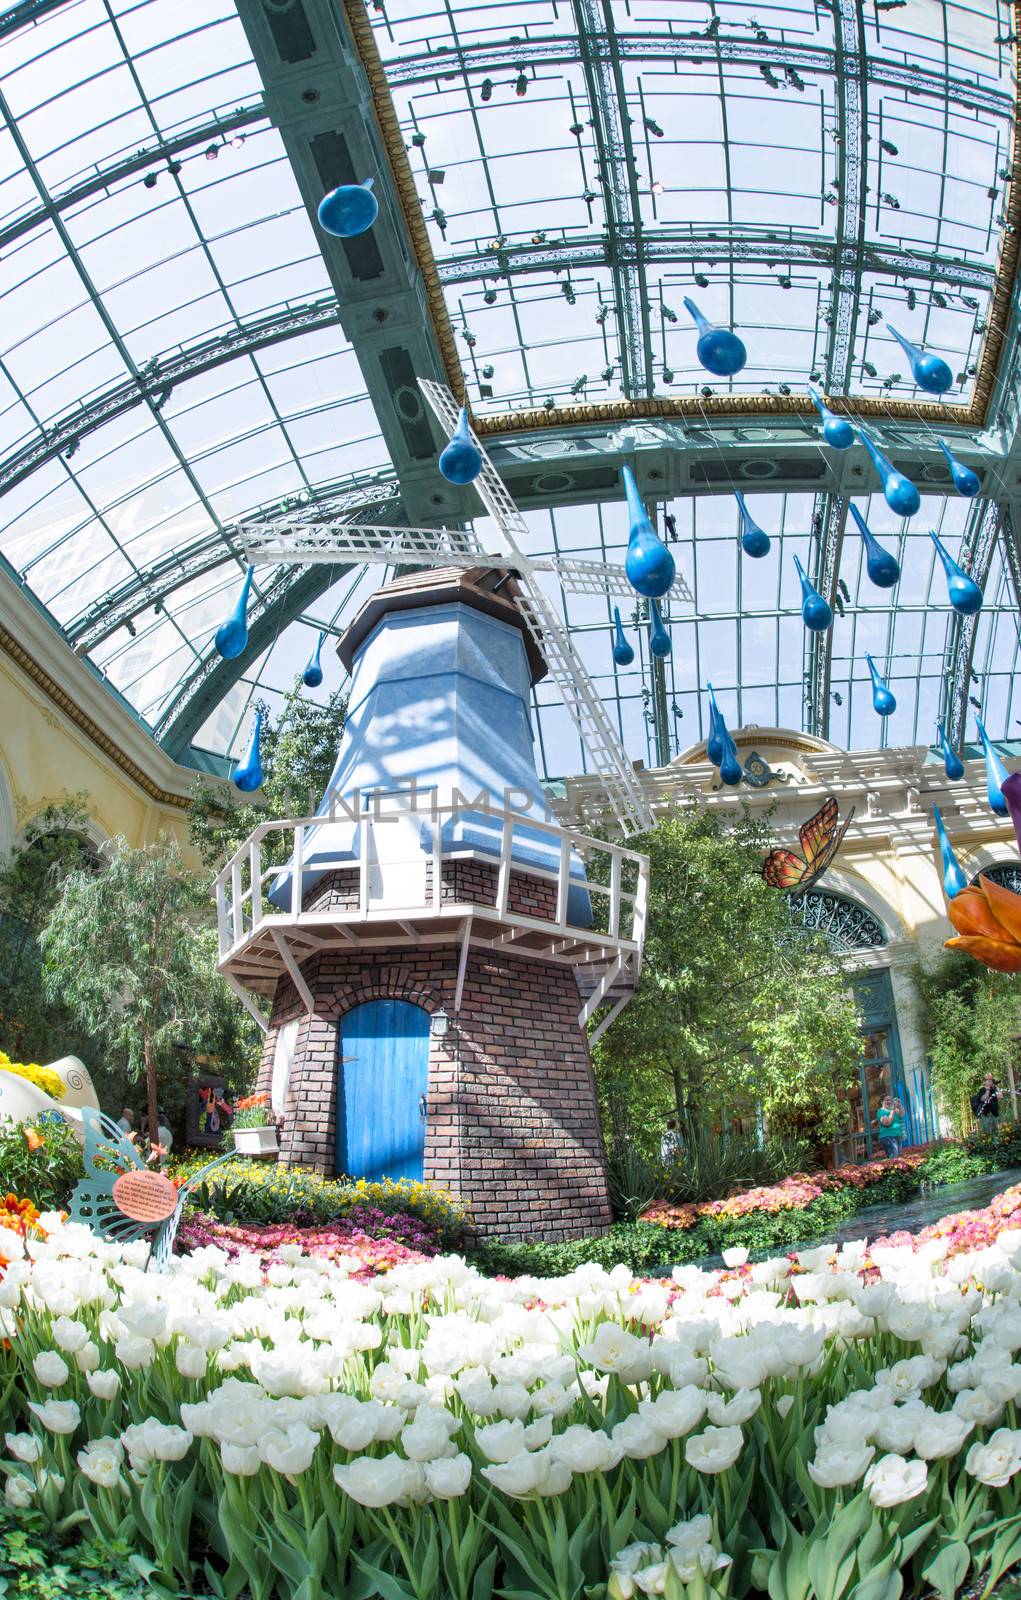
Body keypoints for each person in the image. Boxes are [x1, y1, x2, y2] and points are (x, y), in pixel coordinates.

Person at [876, 1093, 906, 1159]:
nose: (889, 1102)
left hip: (897, 1135)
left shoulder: (894, 1109)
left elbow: (902, 1114)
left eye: (890, 1100)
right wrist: (892, 1111)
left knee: (897, 1157)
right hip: (888, 1137)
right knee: (894, 1158)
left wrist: (899, 1104)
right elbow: (887, 1123)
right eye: (887, 1100)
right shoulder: (881, 1111)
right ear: (882, 1102)